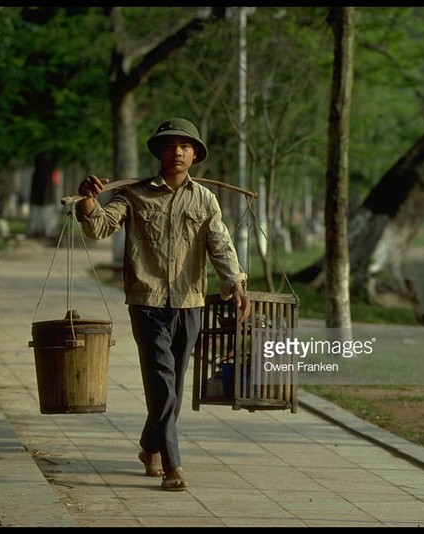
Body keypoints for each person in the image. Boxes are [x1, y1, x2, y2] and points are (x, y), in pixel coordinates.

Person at [75, 117, 252, 491]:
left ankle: (149, 445)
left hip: (190, 302)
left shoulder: (205, 199)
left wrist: (234, 282)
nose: (178, 152)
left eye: (185, 146)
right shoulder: (135, 195)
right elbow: (100, 227)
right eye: (170, 145)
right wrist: (89, 200)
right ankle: (173, 464)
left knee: (172, 382)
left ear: (195, 155)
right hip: (147, 300)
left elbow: (219, 244)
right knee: (162, 381)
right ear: (159, 152)